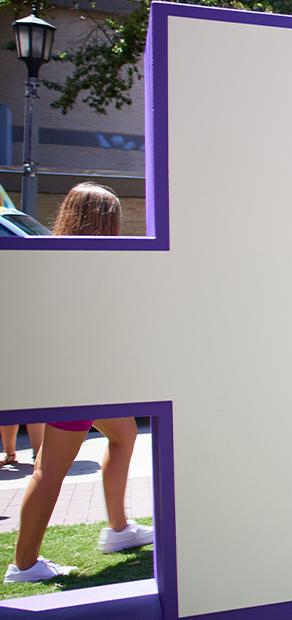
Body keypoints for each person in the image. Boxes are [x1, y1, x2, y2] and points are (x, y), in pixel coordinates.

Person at [6, 184, 154, 583]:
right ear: (108, 222)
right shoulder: (96, 262)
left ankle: (119, 529)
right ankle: (23, 566)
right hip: (78, 378)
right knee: (49, 469)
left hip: (81, 375)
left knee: (123, 434)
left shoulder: (51, 258)